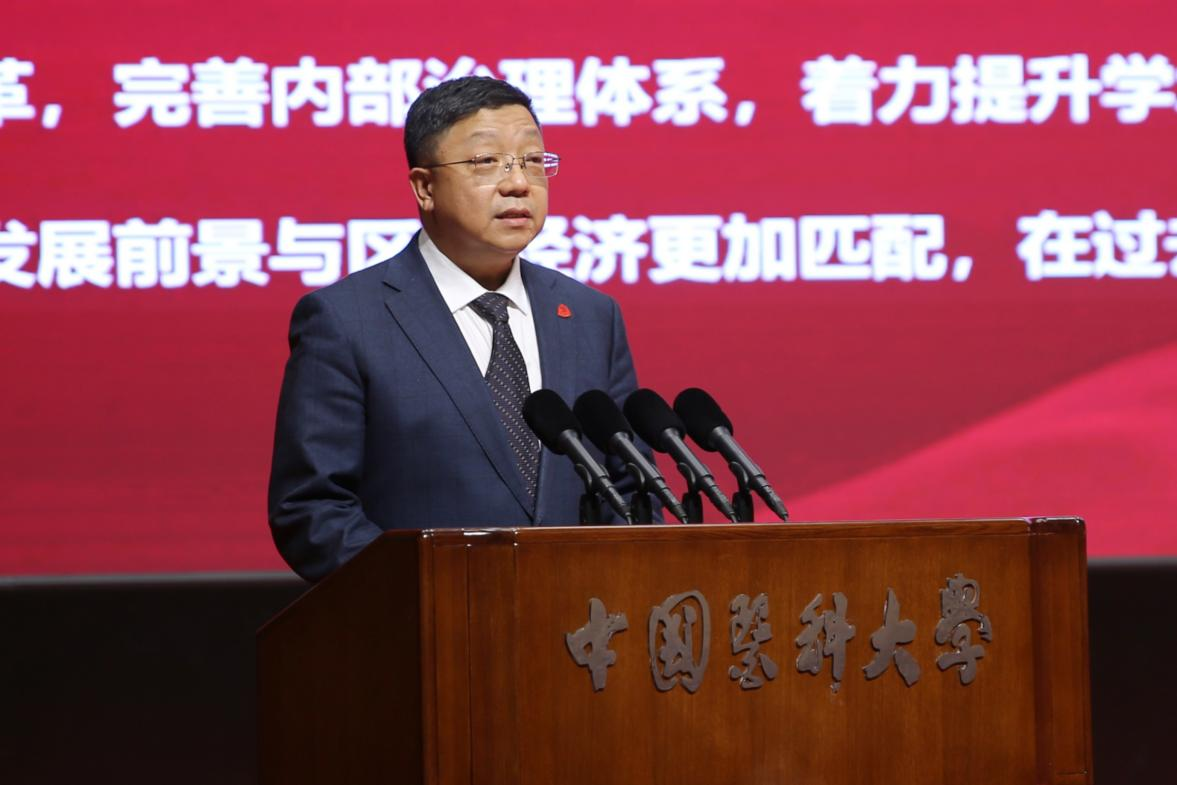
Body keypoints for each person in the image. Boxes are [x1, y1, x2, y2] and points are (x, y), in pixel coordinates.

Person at [267, 77, 646, 582]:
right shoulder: (346, 320)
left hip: (579, 621)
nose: (519, 183)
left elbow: (629, 487)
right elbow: (312, 510)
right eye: (486, 161)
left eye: (533, 160)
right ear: (425, 187)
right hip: (425, 620)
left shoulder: (590, 315)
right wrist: (436, 596)